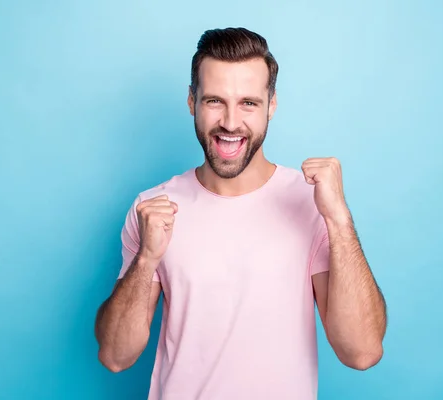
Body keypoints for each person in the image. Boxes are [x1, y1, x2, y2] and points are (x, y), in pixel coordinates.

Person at [94, 27, 387, 399]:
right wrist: (146, 258)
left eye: (248, 103)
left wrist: (339, 220)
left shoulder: (312, 204)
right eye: (215, 101)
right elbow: (116, 356)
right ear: (191, 101)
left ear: (272, 105)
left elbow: (362, 352)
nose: (231, 123)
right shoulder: (153, 207)